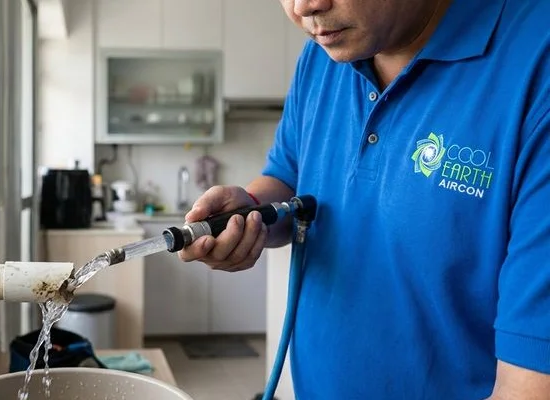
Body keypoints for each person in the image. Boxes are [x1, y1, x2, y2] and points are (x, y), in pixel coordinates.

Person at [179, 0, 550, 398]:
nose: (304, 7)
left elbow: (529, 388)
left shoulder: (535, 63)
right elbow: (288, 178)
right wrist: (251, 210)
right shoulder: (327, 51)